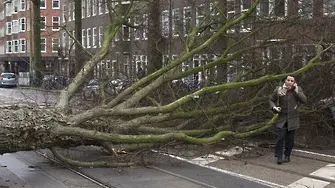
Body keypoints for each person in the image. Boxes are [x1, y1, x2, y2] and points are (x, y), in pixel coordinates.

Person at [269, 75, 307, 165]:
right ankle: (279, 156)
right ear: (285, 81)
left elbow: (304, 100)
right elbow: (271, 99)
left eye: (291, 81)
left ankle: (287, 156)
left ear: (294, 82)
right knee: (281, 137)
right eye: (288, 80)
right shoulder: (279, 89)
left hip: (293, 118)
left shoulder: (297, 90)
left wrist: (297, 92)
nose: (289, 82)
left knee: (290, 139)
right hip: (282, 118)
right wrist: (274, 107)